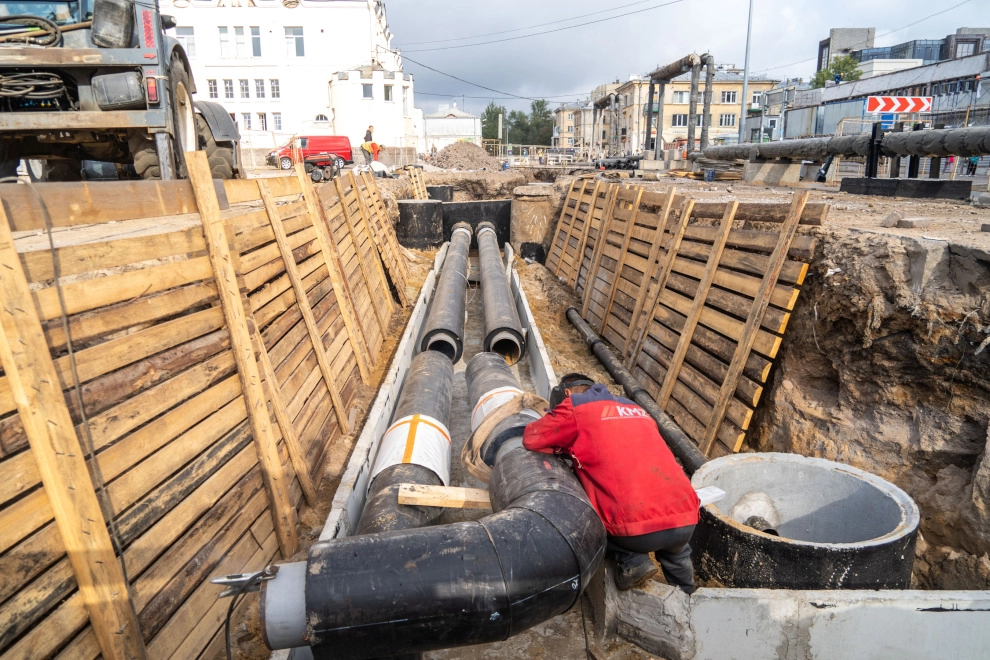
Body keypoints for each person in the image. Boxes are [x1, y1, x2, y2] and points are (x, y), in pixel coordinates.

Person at [522, 373, 700, 593]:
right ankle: (688, 597)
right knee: (678, 553)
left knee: (585, 522)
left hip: (637, 531)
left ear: (566, 394)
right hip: (685, 520)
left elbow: (532, 438)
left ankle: (631, 560)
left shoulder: (575, 406)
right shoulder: (633, 406)